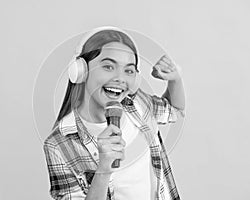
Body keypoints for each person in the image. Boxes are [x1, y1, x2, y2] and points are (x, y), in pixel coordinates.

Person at [43, 26, 185, 200]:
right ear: (81, 71)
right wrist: (103, 169)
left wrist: (175, 79)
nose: (120, 78)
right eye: (108, 66)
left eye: (129, 70)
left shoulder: (137, 103)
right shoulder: (58, 144)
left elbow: (175, 110)